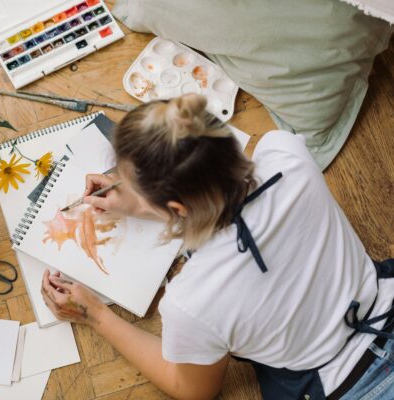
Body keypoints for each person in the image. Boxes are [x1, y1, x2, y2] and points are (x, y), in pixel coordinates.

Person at [41, 94, 394, 400]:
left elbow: (193, 389)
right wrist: (140, 201)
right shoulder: (287, 156)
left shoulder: (191, 302)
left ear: (176, 209)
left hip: (348, 386)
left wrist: (95, 315)